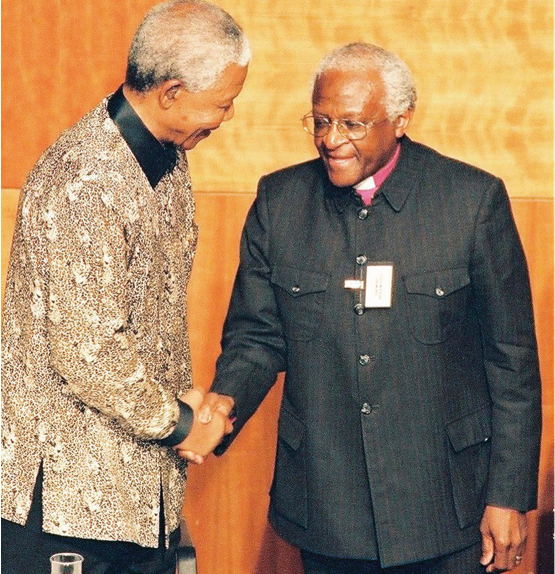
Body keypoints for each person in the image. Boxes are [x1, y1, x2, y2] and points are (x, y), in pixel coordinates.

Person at [200, 43, 542, 574]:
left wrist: (509, 495)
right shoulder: (279, 202)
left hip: (449, 506)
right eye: (320, 121)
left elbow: (512, 361)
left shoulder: (472, 202)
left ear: (401, 120)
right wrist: (222, 405)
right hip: (328, 507)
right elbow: (255, 338)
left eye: (353, 124)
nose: (331, 140)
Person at [1, 1, 249, 573]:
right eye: (223, 102)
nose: (228, 117)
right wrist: (186, 424)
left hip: (139, 496)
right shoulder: (84, 179)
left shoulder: (166, 157)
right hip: (68, 506)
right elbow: (89, 352)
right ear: (171, 93)